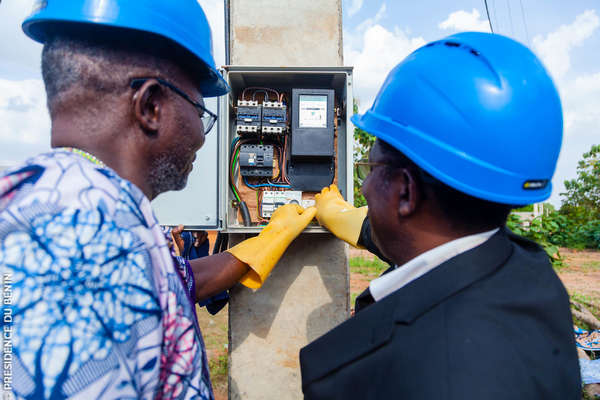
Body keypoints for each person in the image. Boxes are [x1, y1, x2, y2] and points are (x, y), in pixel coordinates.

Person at [0, 1, 315, 399]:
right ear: (150, 106)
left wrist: (273, 238)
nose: (202, 136)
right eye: (201, 110)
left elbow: (183, 281)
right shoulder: (82, 241)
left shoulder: (81, 211)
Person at [300, 32, 581, 399]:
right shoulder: (532, 275)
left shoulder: (385, 373)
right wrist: (359, 224)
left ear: (406, 191)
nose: (365, 187)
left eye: (370, 166)